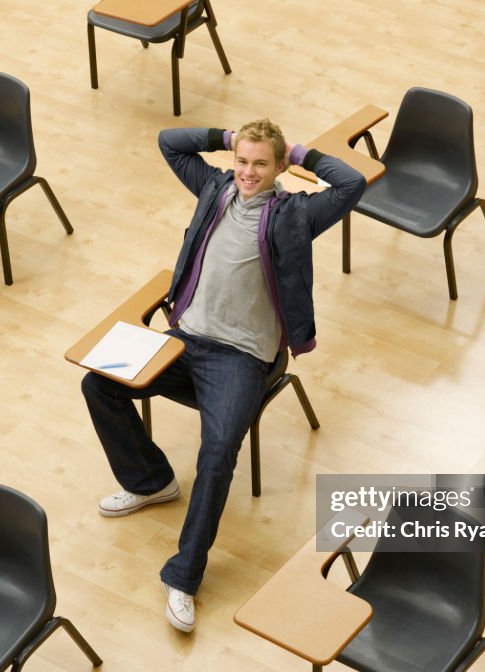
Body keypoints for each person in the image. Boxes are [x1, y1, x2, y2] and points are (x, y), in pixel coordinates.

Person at [82, 119, 365, 633]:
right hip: (185, 339)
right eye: (243, 162)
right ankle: (151, 482)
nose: (248, 173)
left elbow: (352, 184)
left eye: (261, 164)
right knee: (98, 383)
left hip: (241, 357)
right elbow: (168, 141)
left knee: (217, 453)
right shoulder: (215, 187)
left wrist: (301, 152)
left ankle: (184, 577)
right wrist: (229, 139)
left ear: (280, 168)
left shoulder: (295, 214)